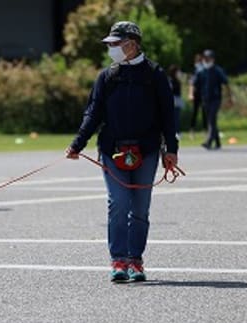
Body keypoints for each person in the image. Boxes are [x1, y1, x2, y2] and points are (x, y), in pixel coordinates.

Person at [65, 21, 179, 283]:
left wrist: (171, 150)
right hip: (112, 149)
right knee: (118, 203)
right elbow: (92, 113)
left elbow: (168, 116)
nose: (112, 48)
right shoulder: (107, 76)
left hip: (147, 150)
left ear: (133, 44)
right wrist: (77, 144)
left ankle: (135, 261)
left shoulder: (155, 74)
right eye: (111, 44)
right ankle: (118, 259)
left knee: (140, 208)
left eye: (116, 44)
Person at [191, 49, 233, 150]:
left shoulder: (217, 71)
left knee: (211, 119)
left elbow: (226, 83)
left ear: (213, 59)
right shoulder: (201, 71)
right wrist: (191, 94)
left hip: (215, 99)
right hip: (205, 99)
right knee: (211, 120)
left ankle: (209, 141)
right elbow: (193, 83)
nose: (206, 60)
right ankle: (218, 142)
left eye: (208, 58)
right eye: (205, 58)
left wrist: (229, 97)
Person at [187, 53, 206, 139]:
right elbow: (192, 83)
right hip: (197, 94)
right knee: (195, 113)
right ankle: (192, 131)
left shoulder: (204, 69)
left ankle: (206, 131)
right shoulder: (196, 70)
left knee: (204, 113)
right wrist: (191, 94)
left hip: (204, 94)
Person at [167, 64, 183, 138]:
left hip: (177, 100)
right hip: (173, 100)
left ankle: (177, 131)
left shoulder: (177, 80)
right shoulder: (170, 80)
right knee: (175, 118)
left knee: (177, 118)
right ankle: (175, 132)